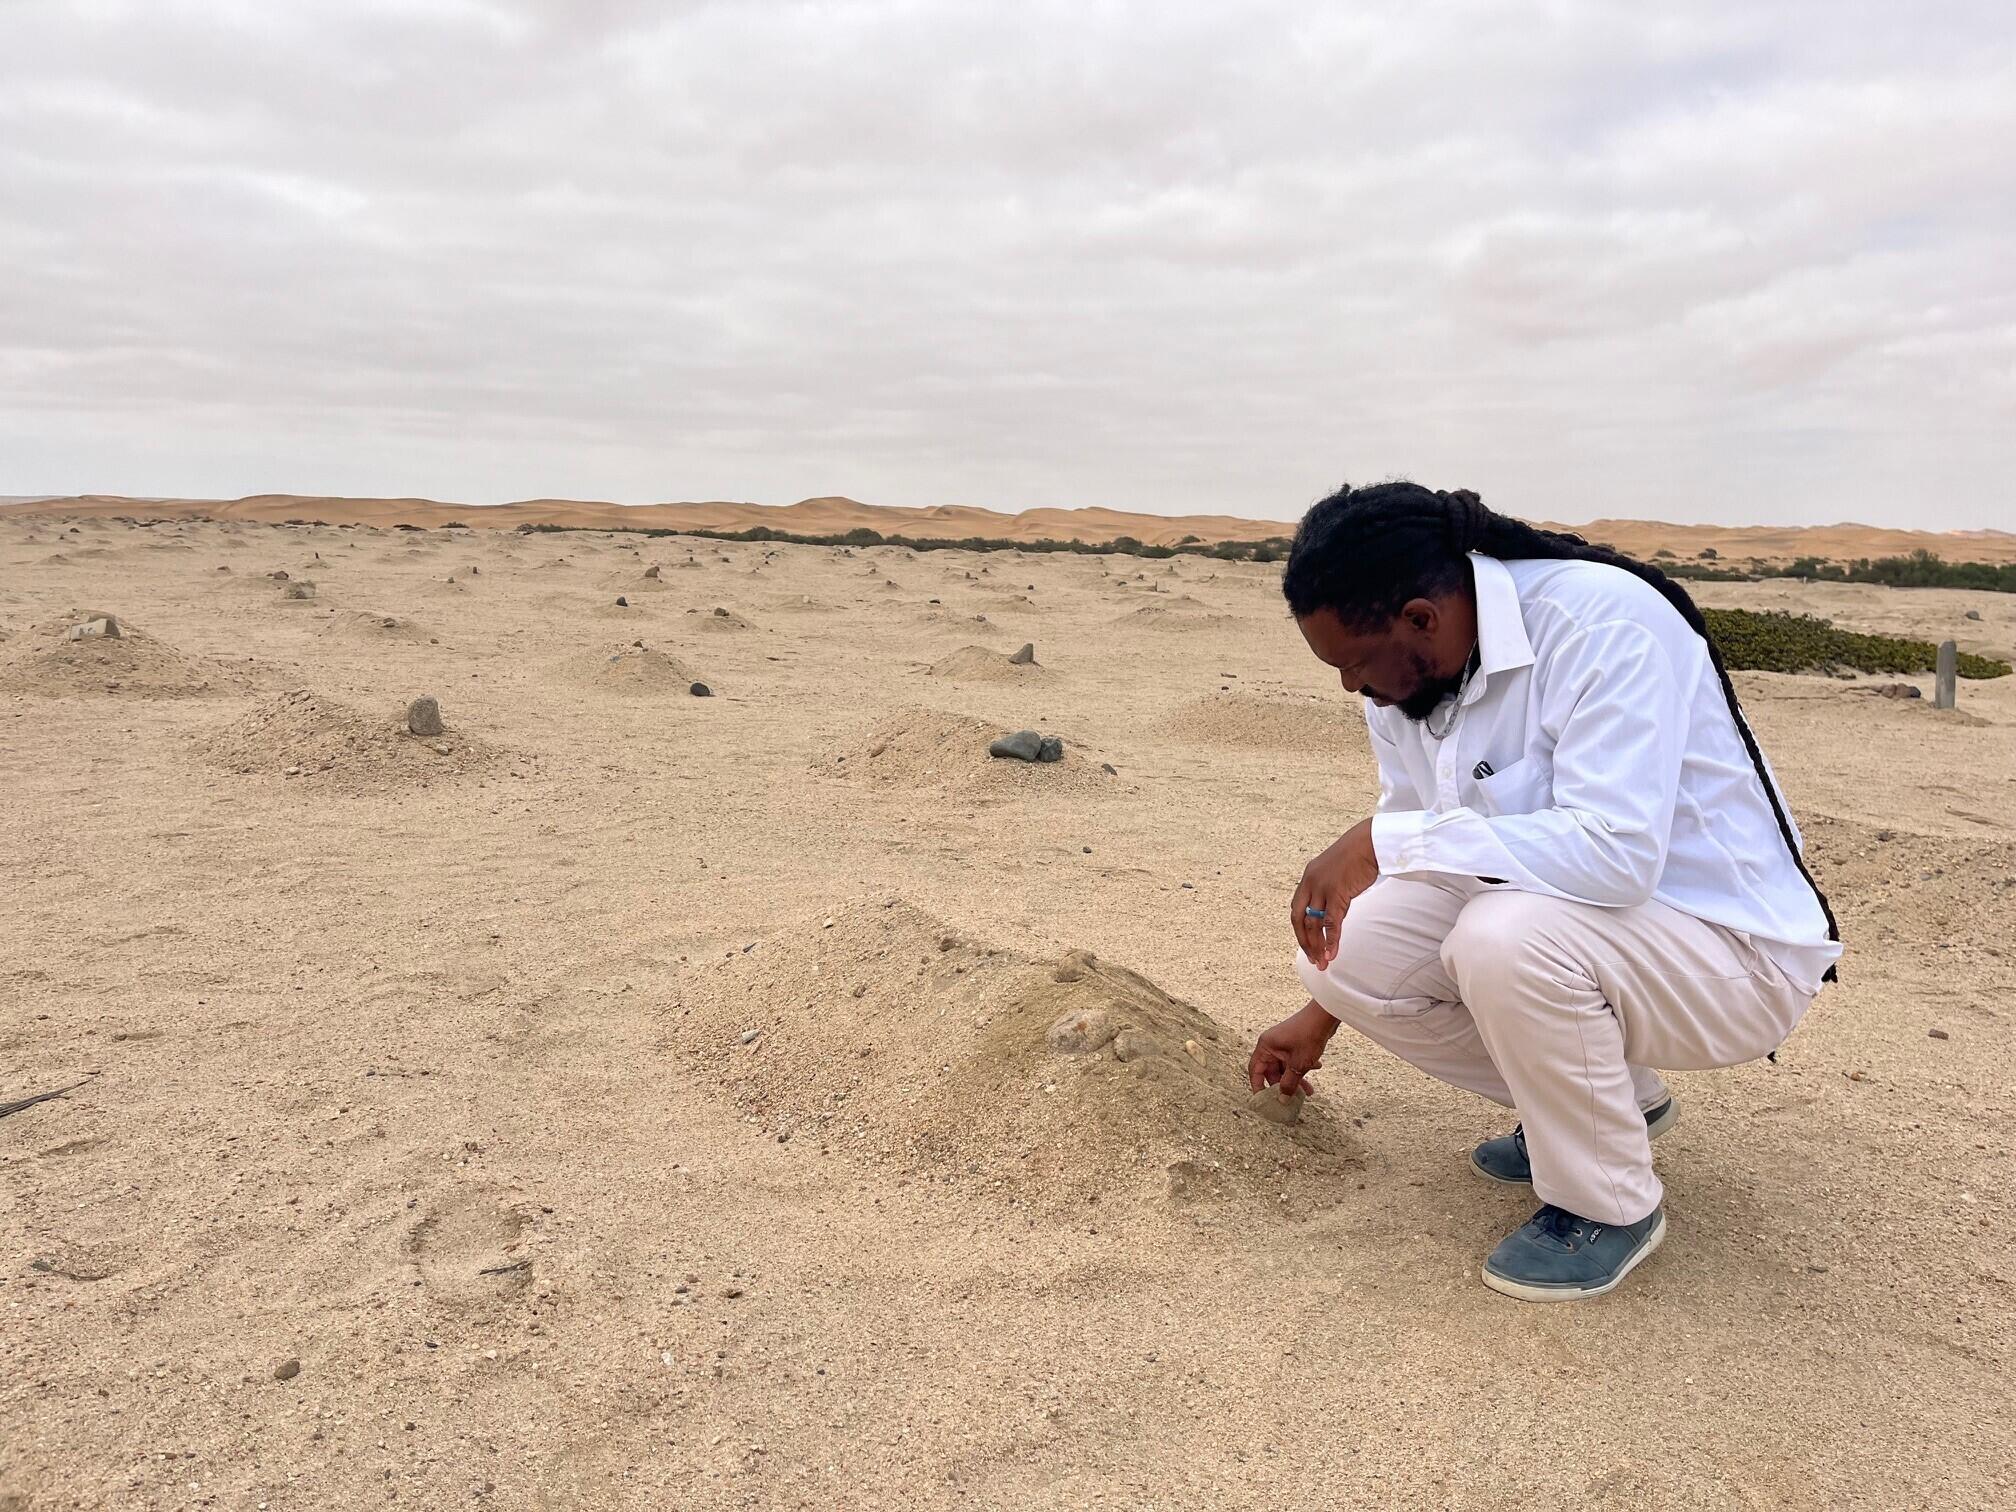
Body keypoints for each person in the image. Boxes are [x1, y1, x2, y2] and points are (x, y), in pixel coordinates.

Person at [1247, 482, 1841, 1302]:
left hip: (1732, 951)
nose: (1351, 686)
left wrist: (1382, 839)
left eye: (1353, 662)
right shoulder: (1408, 682)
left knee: (1502, 937)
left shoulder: (1603, 625)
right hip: (1593, 930)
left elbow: (1616, 855)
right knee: (1348, 953)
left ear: (1421, 618)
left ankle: (1608, 1205)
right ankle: (1608, 1108)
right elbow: (1431, 841)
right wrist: (1325, 1009)